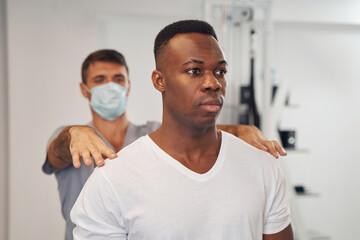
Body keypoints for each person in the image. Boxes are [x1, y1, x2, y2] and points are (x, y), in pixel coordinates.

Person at [71, 20, 293, 239]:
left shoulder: (262, 166)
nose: (213, 83)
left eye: (220, 71)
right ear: (159, 81)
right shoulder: (113, 179)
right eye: (194, 71)